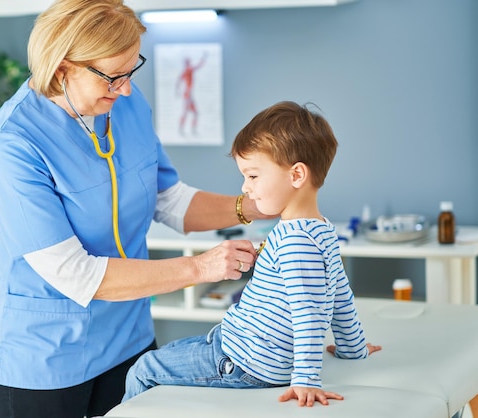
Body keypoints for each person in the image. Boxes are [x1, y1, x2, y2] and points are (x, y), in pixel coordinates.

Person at [0, 1, 266, 417]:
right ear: (62, 69)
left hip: (129, 341)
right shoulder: (15, 141)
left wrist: (256, 205)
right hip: (46, 358)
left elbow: (168, 199)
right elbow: (73, 272)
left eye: (132, 70)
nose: (127, 88)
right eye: (113, 76)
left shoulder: (124, 103)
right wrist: (200, 268)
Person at [123, 101, 382, 407]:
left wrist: (306, 380)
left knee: (143, 369)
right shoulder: (320, 230)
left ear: (297, 175)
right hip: (241, 345)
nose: (245, 188)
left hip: (246, 362)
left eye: (253, 176)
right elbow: (340, 294)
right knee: (178, 349)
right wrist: (352, 348)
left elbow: (308, 315)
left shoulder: (294, 240)